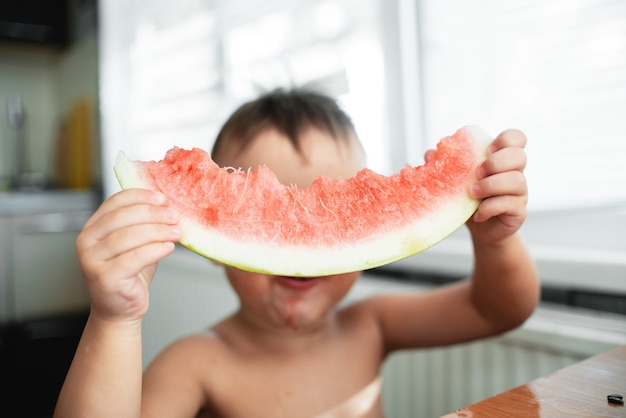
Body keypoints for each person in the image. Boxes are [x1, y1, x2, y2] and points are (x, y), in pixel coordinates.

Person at [54, 88, 539, 418]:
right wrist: (114, 321)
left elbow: (497, 309)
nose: (303, 233)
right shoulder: (197, 362)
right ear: (212, 247)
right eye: (266, 208)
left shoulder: (371, 325)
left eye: (332, 206)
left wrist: (493, 240)